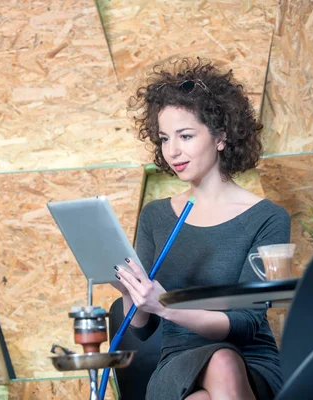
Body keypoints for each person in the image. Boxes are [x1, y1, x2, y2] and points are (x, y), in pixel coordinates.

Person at [112, 58, 290, 400]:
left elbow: (246, 322)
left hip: (252, 365)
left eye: (186, 135)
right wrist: (128, 292)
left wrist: (166, 307)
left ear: (221, 136)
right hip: (177, 362)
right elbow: (142, 329)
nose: (173, 150)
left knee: (218, 369)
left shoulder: (270, 218)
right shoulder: (155, 217)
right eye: (165, 139)